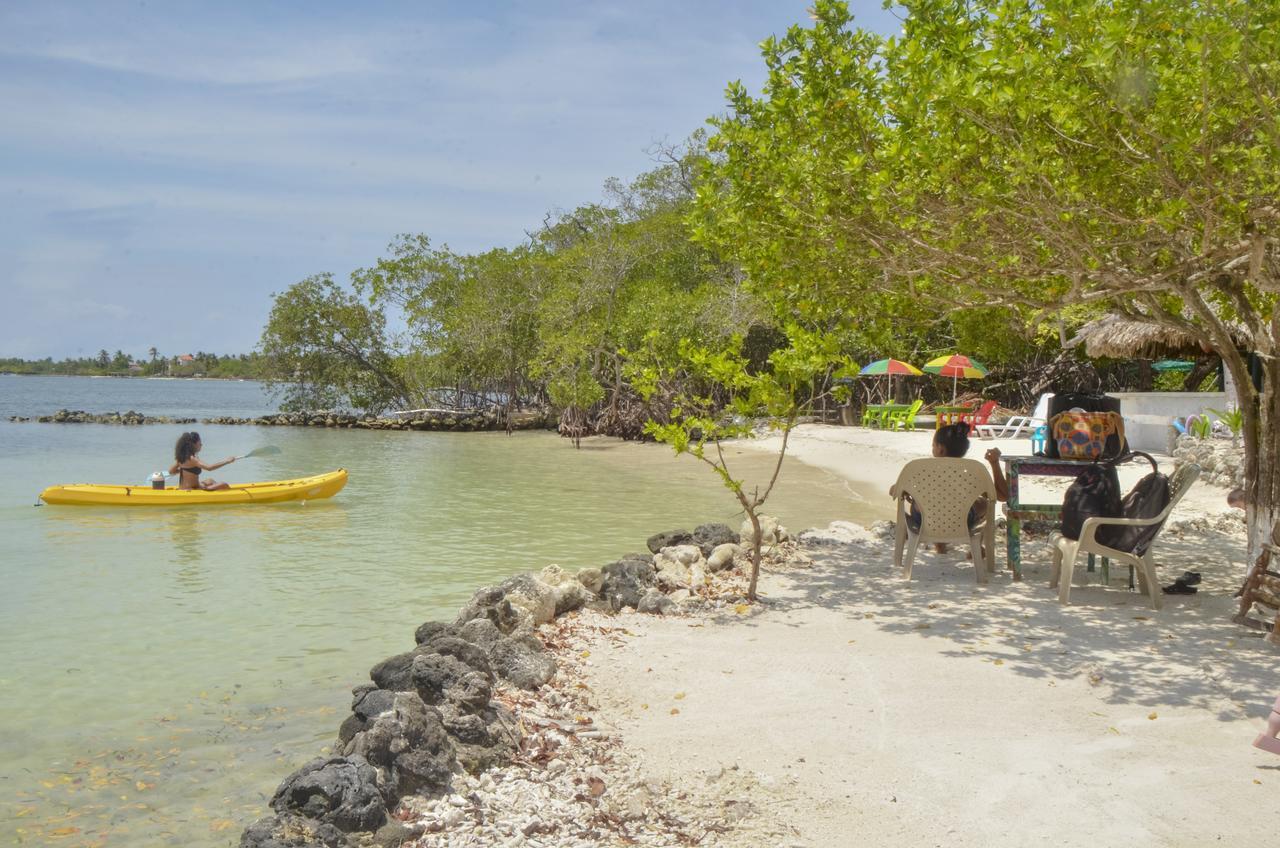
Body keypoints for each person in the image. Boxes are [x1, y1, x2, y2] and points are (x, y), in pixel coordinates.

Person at [890, 423, 1008, 553]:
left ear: (940, 448)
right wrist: (994, 463)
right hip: (961, 522)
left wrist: (906, 491)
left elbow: (894, 491)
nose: (933, 448)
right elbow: (1003, 496)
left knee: (929, 503)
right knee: (985, 503)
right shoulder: (972, 472)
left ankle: (939, 544)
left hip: (924, 521)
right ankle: (975, 546)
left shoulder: (921, 470)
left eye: (933, 445)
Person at [170, 431, 235, 491]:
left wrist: (185, 470)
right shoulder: (192, 459)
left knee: (210, 480)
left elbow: (171, 471)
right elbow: (209, 468)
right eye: (199, 442)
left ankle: (214, 494)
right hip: (191, 490)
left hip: (188, 487)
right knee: (224, 484)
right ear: (193, 444)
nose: (201, 444)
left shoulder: (182, 457)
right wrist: (227, 461)